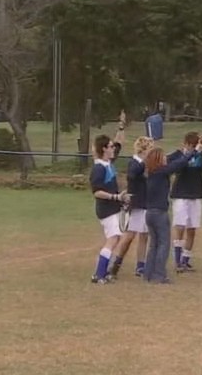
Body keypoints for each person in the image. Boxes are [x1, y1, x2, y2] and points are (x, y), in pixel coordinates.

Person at [142, 142, 202, 284]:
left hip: (149, 213)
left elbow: (174, 159)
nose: (165, 159)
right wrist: (193, 151)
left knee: (154, 244)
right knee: (163, 244)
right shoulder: (161, 172)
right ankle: (159, 275)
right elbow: (179, 163)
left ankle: (148, 273)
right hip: (159, 213)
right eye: (162, 157)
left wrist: (180, 150)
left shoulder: (151, 173)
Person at [89, 113, 131, 284]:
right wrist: (116, 197)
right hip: (106, 209)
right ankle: (99, 274)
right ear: (104, 149)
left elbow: (119, 141)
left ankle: (102, 273)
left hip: (114, 207)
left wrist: (121, 125)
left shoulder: (108, 164)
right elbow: (96, 191)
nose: (114, 148)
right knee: (113, 239)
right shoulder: (99, 168)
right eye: (111, 146)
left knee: (116, 238)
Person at [108, 136, 154, 279]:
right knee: (129, 236)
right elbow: (133, 174)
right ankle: (115, 265)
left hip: (146, 203)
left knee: (144, 235)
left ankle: (140, 265)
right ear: (143, 149)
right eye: (150, 149)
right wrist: (145, 162)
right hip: (135, 204)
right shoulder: (134, 163)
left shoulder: (146, 164)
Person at [169, 132, 202, 273]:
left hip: (195, 194)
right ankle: (177, 261)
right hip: (181, 194)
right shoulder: (178, 154)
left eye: (195, 145)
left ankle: (185, 260)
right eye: (191, 145)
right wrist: (191, 153)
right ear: (186, 144)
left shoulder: (200, 155)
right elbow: (174, 166)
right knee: (180, 227)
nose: (194, 147)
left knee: (192, 228)